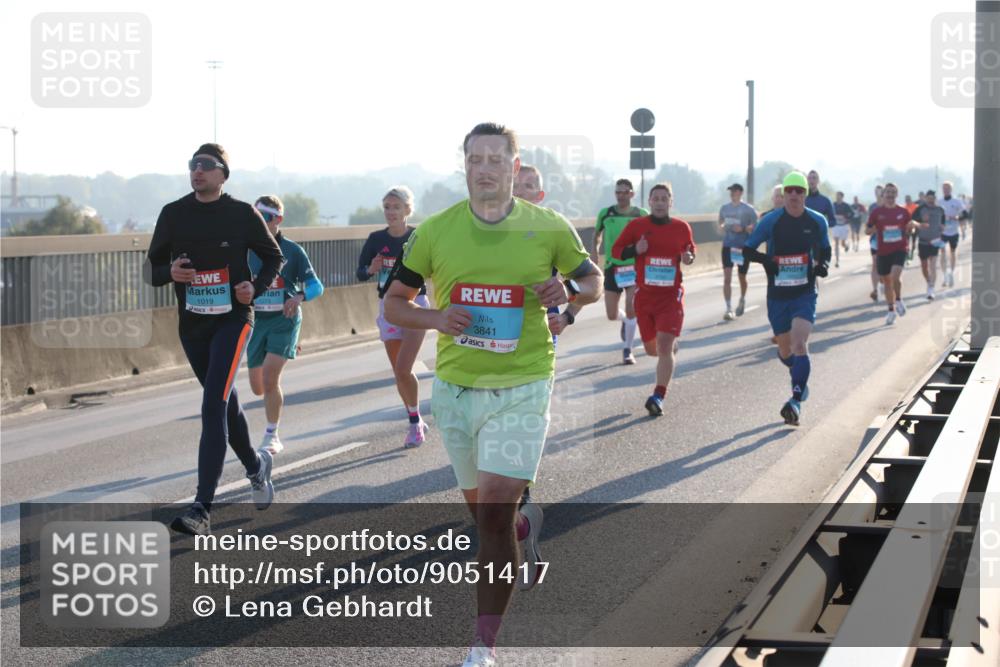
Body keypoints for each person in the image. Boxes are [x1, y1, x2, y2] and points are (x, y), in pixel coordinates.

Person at [383, 123, 602, 667]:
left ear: (513, 165)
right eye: (475, 158)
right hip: (457, 389)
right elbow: (394, 303)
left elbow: (595, 280)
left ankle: (482, 647)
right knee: (488, 522)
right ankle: (523, 529)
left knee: (497, 511)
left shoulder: (548, 227)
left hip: (524, 384)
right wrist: (436, 317)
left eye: (496, 159)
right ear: (465, 166)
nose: (485, 167)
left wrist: (569, 290)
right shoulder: (435, 231)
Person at [145, 143, 282, 535]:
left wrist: (253, 288)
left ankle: (201, 508)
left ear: (223, 175)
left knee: (212, 404)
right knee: (225, 402)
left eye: (207, 166)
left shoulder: (241, 214)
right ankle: (256, 467)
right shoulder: (174, 214)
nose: (198, 171)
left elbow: (273, 258)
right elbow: (151, 270)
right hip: (193, 325)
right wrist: (171, 270)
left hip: (234, 320)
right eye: (193, 166)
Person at [743, 171, 831, 426]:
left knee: (800, 344)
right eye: (789, 191)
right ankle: (798, 373)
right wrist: (766, 261)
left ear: (805, 194)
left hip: (804, 292)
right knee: (786, 350)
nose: (793, 195)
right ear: (784, 195)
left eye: (799, 191)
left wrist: (822, 265)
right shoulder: (771, 221)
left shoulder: (817, 220)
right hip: (778, 294)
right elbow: (748, 249)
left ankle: (794, 401)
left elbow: (825, 248)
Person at [245, 196, 324, 455]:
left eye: (264, 217)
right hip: (256, 321)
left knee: (270, 378)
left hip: (285, 320)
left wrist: (299, 296)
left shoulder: (292, 251)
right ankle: (278, 358)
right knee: (258, 387)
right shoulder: (244, 249)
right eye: (254, 216)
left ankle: (272, 435)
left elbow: (316, 286)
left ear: (278, 219)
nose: (258, 221)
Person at [612, 183, 696, 416]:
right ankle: (667, 351)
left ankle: (659, 395)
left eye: (664, 198)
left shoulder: (681, 228)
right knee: (652, 350)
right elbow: (615, 251)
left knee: (664, 345)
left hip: (670, 297)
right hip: (645, 297)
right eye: (655, 198)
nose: (659, 202)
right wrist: (634, 250)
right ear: (649, 202)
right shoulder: (637, 226)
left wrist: (688, 258)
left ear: (671, 201)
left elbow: (689, 254)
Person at [357, 186, 431, 448]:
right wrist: (371, 268)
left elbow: (436, 266)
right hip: (388, 307)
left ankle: (413, 426)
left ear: (408, 210)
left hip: (414, 305)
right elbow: (360, 273)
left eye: (396, 207)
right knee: (399, 374)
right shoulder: (376, 239)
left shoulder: (419, 236)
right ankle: (415, 416)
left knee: (404, 367)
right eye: (387, 207)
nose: (391, 212)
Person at [593, 179, 648, 364]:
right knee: (611, 314)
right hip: (612, 267)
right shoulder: (606, 213)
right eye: (618, 192)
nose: (621, 195)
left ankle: (628, 349)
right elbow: (597, 236)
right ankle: (624, 320)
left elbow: (651, 237)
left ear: (632, 194)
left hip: (633, 266)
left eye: (625, 192)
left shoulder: (641, 214)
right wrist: (594, 252)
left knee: (632, 306)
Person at [513, 165, 560, 346]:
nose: (520, 191)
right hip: (497, 327)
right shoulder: (488, 229)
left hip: (541, 329)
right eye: (515, 185)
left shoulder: (553, 230)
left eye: (528, 186)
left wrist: (567, 316)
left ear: (540, 196)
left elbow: (588, 279)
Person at [867, 183, 919, 325]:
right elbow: (867, 230)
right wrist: (874, 228)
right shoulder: (876, 213)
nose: (890, 195)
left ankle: (898, 299)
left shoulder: (903, 212)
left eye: (893, 192)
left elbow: (910, 229)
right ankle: (891, 310)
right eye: (887, 192)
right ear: (883, 195)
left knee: (896, 276)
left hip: (900, 249)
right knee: (887, 282)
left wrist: (911, 228)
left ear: (896, 195)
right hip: (883, 251)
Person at [718, 183, 757, 320]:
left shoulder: (748, 210)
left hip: (741, 247)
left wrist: (744, 229)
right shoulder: (724, 208)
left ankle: (742, 298)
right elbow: (720, 222)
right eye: (730, 191)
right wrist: (723, 226)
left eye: (734, 191)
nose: (732, 193)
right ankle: (728, 308)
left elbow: (755, 226)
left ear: (740, 192)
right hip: (728, 245)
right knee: (727, 278)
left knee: (741, 276)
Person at [914, 189, 946, 300]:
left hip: (935, 241)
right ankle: (928, 281)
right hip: (923, 241)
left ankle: (931, 289)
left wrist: (942, 228)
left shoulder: (940, 209)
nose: (931, 200)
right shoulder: (920, 209)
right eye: (929, 198)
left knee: (933, 265)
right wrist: (920, 224)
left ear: (935, 199)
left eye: (933, 198)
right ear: (926, 198)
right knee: (924, 266)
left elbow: (943, 223)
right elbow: (913, 222)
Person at [939, 180, 965, 287]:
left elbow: (964, 214)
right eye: (944, 188)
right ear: (942, 190)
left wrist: (956, 217)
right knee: (942, 253)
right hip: (942, 232)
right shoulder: (939, 201)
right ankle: (945, 275)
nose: (946, 190)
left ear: (951, 189)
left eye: (948, 188)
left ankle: (952, 273)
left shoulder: (957, 201)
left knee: (953, 253)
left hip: (954, 231)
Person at [868, 184, 884, 302]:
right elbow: (870, 224)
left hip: (888, 240)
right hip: (875, 240)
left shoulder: (888, 205)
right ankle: (875, 290)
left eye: (880, 192)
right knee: (875, 264)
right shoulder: (872, 207)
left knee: (884, 266)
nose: (878, 194)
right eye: (876, 192)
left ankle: (883, 283)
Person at [831, 191, 853, 265]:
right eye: (836, 195)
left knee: (842, 243)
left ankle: (846, 245)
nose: (837, 197)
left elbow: (852, 214)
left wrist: (846, 218)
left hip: (844, 226)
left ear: (842, 197)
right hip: (836, 226)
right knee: (836, 243)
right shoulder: (833, 205)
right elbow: (829, 213)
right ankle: (837, 261)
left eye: (839, 196)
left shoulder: (846, 205)